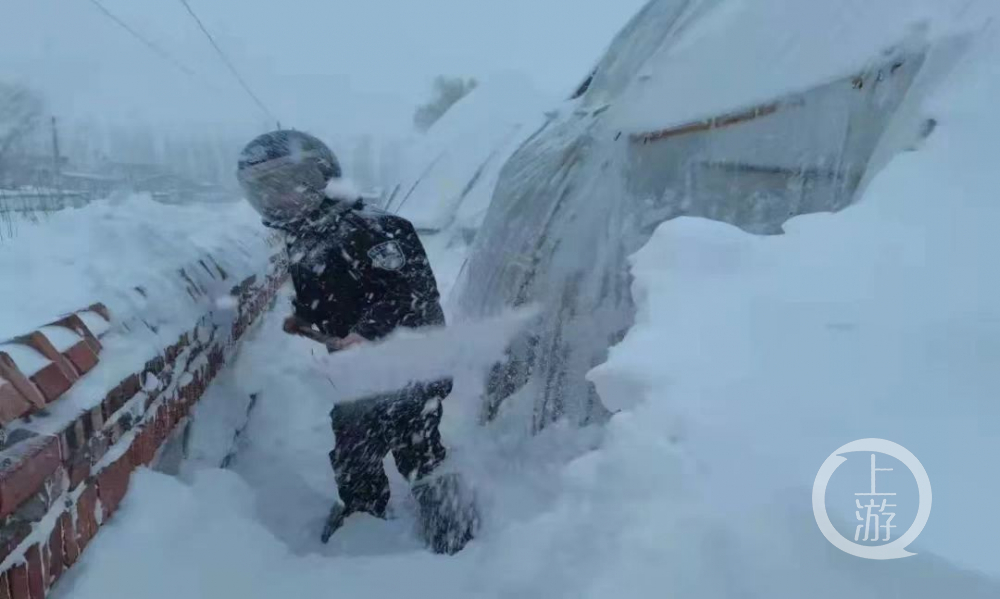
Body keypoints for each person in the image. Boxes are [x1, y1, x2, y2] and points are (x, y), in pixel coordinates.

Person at [235, 130, 474, 554]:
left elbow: (407, 294)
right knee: (353, 449)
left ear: (322, 178)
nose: (283, 199)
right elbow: (324, 295)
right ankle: (363, 513)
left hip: (411, 361)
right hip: (357, 373)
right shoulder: (304, 238)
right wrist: (305, 317)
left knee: (416, 444)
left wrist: (365, 333)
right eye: (268, 191)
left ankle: (451, 521)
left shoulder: (379, 230)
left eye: (291, 185)